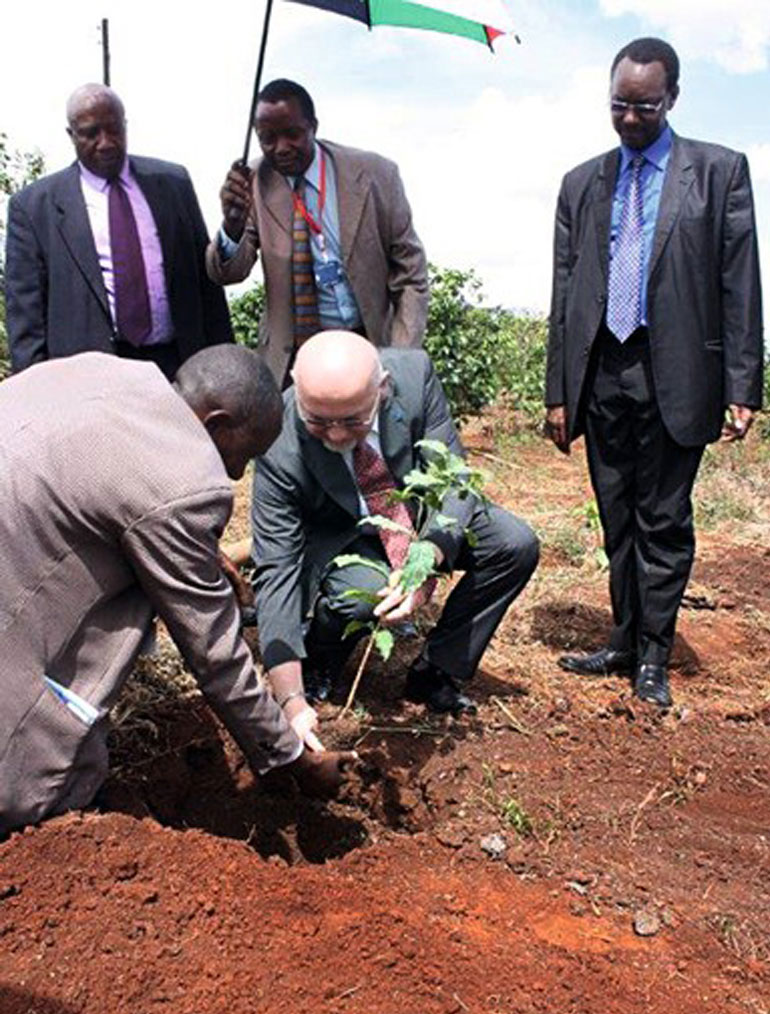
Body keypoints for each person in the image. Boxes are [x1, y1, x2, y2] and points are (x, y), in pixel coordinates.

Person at [0, 345, 352, 839]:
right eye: (243, 455)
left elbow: (100, 488)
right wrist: (293, 759)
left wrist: (191, 552)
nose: (235, 475)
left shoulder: (102, 372)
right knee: (48, 796)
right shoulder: (187, 483)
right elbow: (216, 655)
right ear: (217, 423)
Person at [544, 37, 763, 707]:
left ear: (672, 98)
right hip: (601, 368)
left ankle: (652, 656)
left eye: (644, 105)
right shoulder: (581, 183)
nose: (630, 117)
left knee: (662, 517)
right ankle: (622, 636)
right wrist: (557, 391)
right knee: (617, 515)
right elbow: (564, 291)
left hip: (678, 372)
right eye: (619, 104)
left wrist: (743, 385)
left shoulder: (719, 172)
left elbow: (739, 282)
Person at [250, 331, 539, 749]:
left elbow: (453, 477)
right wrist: (290, 699)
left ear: (381, 389)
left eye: (352, 420)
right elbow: (276, 567)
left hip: (413, 517)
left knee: (514, 543)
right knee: (362, 595)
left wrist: (429, 557)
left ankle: (437, 669)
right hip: (342, 536)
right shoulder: (278, 437)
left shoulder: (414, 375)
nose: (334, 435)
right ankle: (321, 659)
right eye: (317, 421)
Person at [207, 78, 428, 389]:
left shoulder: (377, 174)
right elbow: (229, 273)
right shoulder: (252, 183)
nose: (281, 148)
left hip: (370, 351)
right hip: (294, 362)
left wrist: (401, 358)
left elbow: (411, 274)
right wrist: (231, 224)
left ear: (313, 126)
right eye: (268, 138)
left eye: (293, 134)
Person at [4, 84, 233, 380]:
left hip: (179, 368)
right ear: (71, 135)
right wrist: (37, 392)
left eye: (114, 129)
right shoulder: (34, 208)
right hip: (89, 379)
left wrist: (226, 367)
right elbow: (26, 317)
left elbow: (207, 287)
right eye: (91, 133)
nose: (106, 142)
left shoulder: (173, 183)